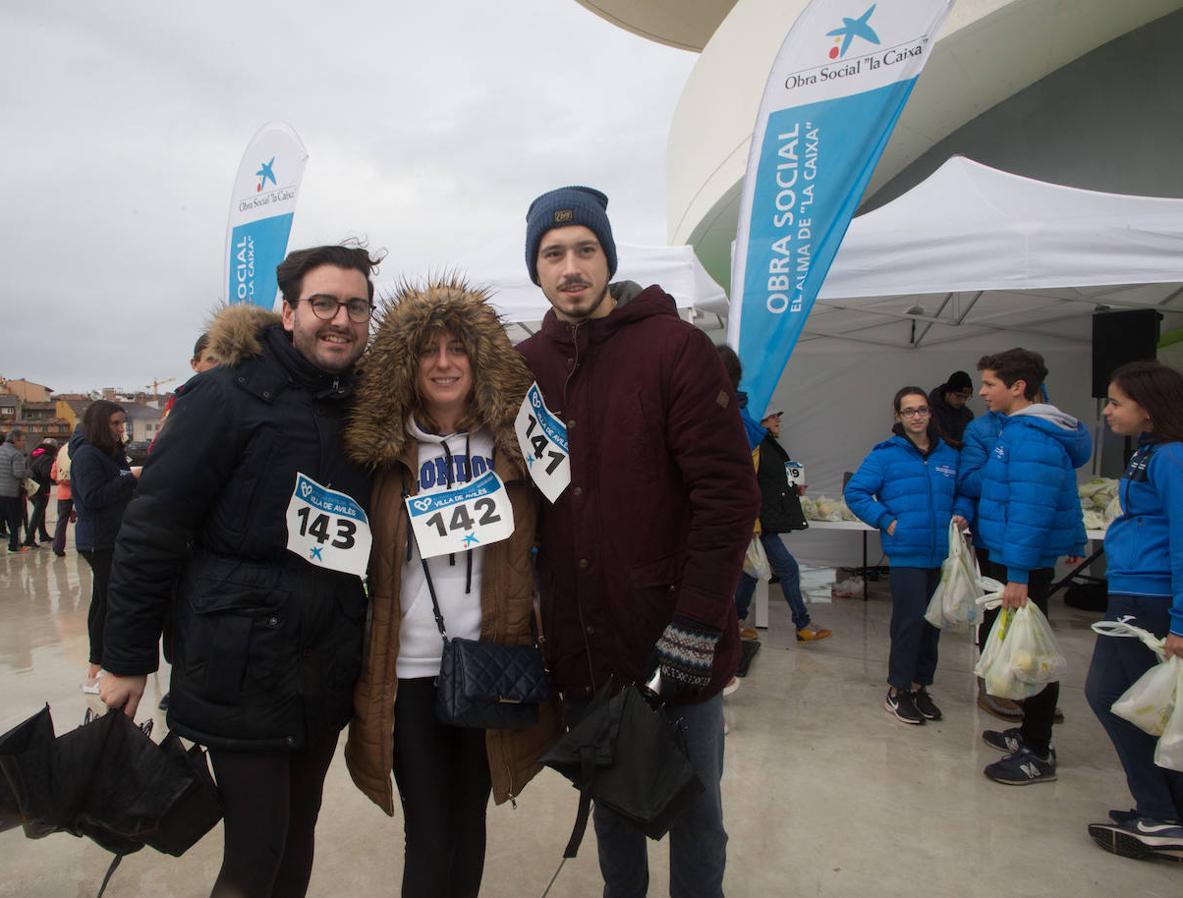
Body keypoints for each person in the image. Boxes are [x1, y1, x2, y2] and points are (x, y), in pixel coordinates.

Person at [99, 244, 378, 898]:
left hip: (324, 664)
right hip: (238, 661)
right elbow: (152, 529)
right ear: (287, 311)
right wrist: (124, 658)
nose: (340, 318)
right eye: (323, 303)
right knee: (256, 854)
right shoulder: (223, 395)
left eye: (356, 306)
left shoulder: (362, 406)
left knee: (297, 837)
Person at [516, 185, 760, 897]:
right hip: (584, 642)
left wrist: (693, 628)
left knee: (693, 811)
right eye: (552, 254)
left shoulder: (675, 348)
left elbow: (727, 498)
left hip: (672, 638)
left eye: (584, 250)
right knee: (613, 808)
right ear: (536, 270)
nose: (570, 267)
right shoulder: (527, 366)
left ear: (607, 258)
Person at [342, 278, 558, 896]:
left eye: (457, 348)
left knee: (469, 826)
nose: (443, 363)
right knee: (430, 834)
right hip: (408, 668)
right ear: (405, 365)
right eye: (428, 350)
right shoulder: (381, 454)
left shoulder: (515, 447)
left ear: (479, 359)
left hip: (492, 658)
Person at [974, 347, 1090, 785]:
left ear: (1018, 387)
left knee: (1029, 652)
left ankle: (1038, 751)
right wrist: (1075, 536)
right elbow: (1057, 493)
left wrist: (1019, 574)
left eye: (989, 383)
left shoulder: (1030, 436)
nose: (982, 392)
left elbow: (1029, 507)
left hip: (1020, 561)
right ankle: (1028, 732)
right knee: (1015, 645)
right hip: (1018, 555)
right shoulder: (1027, 430)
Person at [1083, 361, 1183, 859]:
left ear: (1148, 407)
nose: (1108, 412)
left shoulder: (1171, 457)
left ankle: (1161, 813)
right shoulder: (1149, 453)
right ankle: (1164, 806)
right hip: (1135, 591)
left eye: (1116, 402)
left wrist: (1181, 620)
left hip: (1151, 596)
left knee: (1111, 694)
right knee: (1140, 701)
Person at [845, 387, 970, 725]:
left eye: (922, 410)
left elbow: (964, 492)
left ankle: (919, 686)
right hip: (906, 554)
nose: (917, 416)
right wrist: (886, 521)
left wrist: (961, 511)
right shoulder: (886, 455)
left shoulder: (949, 456)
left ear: (931, 414)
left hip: (941, 555)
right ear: (898, 417)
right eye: (909, 411)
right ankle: (897, 690)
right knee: (909, 623)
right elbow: (855, 491)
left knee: (933, 624)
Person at [735, 411, 832, 642]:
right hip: (760, 522)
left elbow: (778, 477)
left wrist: (795, 487)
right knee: (787, 568)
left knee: (750, 573)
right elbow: (749, 482)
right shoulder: (757, 445)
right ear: (760, 420)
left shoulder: (771, 446)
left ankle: (735, 622)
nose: (778, 420)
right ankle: (803, 624)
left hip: (764, 521)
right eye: (772, 417)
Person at [955, 403, 1020, 721]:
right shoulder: (981, 429)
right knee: (997, 612)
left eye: (990, 384)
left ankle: (1030, 687)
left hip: (1033, 537)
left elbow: (1058, 481)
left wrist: (1074, 534)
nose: (982, 393)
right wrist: (1005, 460)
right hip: (994, 535)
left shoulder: (1050, 426)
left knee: (1031, 618)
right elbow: (967, 482)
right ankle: (994, 685)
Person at [71, 402, 138, 693]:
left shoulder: (111, 452)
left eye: (122, 423)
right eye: (114, 424)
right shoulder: (87, 454)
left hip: (113, 536)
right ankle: (96, 668)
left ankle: (97, 666)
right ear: (100, 424)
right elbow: (93, 497)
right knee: (106, 602)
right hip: (98, 540)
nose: (120, 429)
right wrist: (129, 477)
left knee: (104, 600)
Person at [928, 370, 975, 448]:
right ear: (948, 392)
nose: (963, 401)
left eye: (966, 397)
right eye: (959, 396)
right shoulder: (928, 411)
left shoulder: (968, 415)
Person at [0, 428, 29, 553]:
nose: (24, 443)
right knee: (15, 520)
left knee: (3, 517)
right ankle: (14, 546)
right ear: (15, 441)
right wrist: (29, 472)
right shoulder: (16, 454)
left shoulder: (1, 450)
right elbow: (18, 473)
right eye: (22, 440)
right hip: (11, 491)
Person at [25, 437, 58, 547]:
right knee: (38, 513)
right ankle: (29, 539)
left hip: (29, 485)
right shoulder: (47, 457)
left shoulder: (33, 454)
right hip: (40, 487)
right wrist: (56, 478)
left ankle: (43, 535)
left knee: (39, 512)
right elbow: (46, 474)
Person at [50, 440, 74, 556]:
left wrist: (61, 480)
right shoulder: (78, 454)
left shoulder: (60, 456)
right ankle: (81, 545)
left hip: (63, 495)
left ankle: (58, 547)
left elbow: (53, 475)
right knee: (81, 521)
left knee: (62, 522)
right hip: (77, 494)